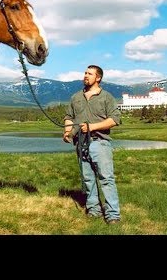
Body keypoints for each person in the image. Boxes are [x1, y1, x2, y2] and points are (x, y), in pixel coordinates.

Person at [63, 65, 121, 224]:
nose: (85, 75)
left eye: (89, 73)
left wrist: (92, 127)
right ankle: (94, 210)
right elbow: (69, 117)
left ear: (98, 78)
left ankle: (112, 215)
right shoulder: (76, 97)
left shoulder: (107, 97)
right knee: (88, 179)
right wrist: (67, 132)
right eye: (85, 73)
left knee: (106, 179)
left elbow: (114, 119)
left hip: (100, 143)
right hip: (81, 144)